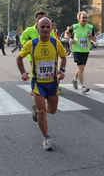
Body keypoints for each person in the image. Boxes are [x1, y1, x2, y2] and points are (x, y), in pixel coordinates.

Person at [16, 17, 66, 151]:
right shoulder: (31, 43)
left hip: (53, 83)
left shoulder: (56, 43)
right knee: (43, 112)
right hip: (38, 83)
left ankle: (37, 108)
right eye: (42, 27)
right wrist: (23, 72)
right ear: (38, 28)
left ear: (51, 28)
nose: (45, 29)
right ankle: (46, 138)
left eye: (47, 27)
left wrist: (62, 70)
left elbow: (64, 57)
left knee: (52, 110)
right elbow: (19, 58)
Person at [69, 11, 97, 93]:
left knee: (81, 68)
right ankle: (83, 87)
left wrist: (90, 36)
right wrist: (70, 39)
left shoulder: (90, 27)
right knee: (81, 67)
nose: (84, 19)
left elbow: (94, 39)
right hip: (77, 50)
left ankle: (74, 79)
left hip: (86, 50)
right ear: (79, 19)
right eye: (83, 18)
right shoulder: (74, 27)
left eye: (86, 18)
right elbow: (67, 32)